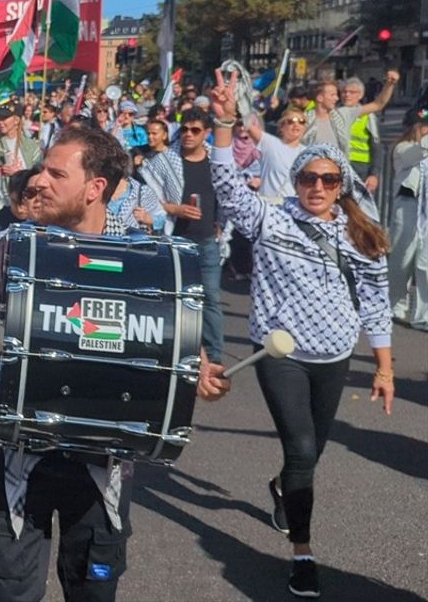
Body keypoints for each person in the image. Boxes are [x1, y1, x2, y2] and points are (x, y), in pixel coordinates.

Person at [0, 126, 231, 602]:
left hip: (104, 466)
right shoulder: (15, 248)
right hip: (20, 461)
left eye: (56, 173)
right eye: (41, 170)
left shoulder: (145, 257)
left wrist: (202, 373)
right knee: (8, 593)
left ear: (96, 188)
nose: (39, 182)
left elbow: (176, 343)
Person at [208, 71, 394, 598]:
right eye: (308, 178)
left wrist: (383, 367)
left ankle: (282, 488)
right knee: (300, 448)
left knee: (311, 454)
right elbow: (225, 186)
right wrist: (224, 122)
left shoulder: (360, 234)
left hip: (334, 352)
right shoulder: (271, 220)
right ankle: (304, 553)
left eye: (328, 180)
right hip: (278, 349)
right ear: (295, 182)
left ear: (342, 186)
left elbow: (377, 301)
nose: (316, 187)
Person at [140, 108, 224, 365]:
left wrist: (221, 221)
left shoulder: (216, 162)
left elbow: (227, 195)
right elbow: (151, 199)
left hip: (207, 240)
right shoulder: (164, 161)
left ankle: (214, 355)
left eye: (195, 130)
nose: (188, 135)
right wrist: (175, 209)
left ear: (206, 133)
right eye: (185, 129)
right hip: (174, 240)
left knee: (210, 298)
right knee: (171, 297)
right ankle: (171, 349)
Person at [303, 71, 398, 193]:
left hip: (338, 176)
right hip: (312, 176)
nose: (337, 98)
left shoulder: (343, 114)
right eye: (333, 95)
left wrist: (389, 85)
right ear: (320, 98)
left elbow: (378, 104)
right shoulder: (305, 119)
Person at [389, 114, 428, 329]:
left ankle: (423, 315)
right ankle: (395, 305)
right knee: (402, 259)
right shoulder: (403, 148)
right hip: (408, 206)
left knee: (425, 264)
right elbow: (417, 154)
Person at [0, 102, 42, 218]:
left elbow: (38, 175)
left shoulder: (31, 147)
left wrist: (17, 174)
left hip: (22, 206)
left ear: (16, 120)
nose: (0, 122)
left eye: (5, 118)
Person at [339, 77, 384, 192]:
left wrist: (374, 174)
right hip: (338, 165)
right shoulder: (335, 114)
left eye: (352, 92)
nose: (347, 95)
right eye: (344, 92)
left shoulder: (368, 116)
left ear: (361, 95)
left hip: (360, 168)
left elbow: (377, 147)